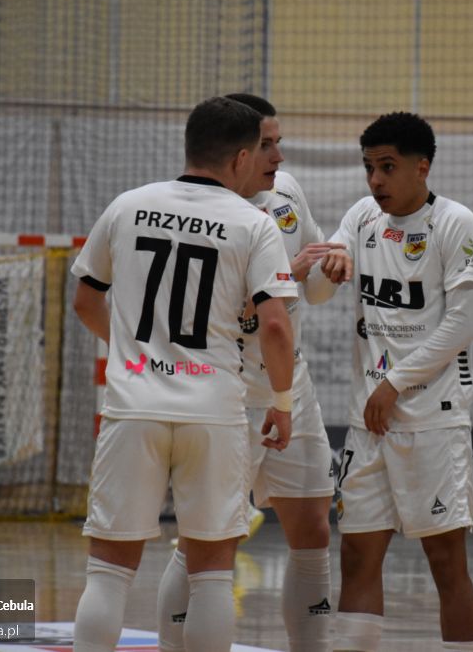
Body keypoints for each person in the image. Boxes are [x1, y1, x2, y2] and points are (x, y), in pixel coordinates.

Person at [69, 96, 298, 652]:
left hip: (133, 408)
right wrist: (284, 403)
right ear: (242, 158)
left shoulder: (128, 205)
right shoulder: (253, 223)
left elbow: (84, 300)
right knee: (212, 573)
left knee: (108, 573)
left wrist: (135, 349)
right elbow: (275, 327)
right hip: (212, 414)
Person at [157, 92, 340, 652]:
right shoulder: (197, 210)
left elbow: (309, 289)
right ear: (236, 153)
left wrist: (330, 269)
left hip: (290, 383)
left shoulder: (285, 193)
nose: (279, 156)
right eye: (267, 145)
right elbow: (230, 307)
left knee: (312, 527)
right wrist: (289, 271)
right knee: (205, 544)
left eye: (280, 142)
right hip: (227, 393)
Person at [319, 112, 473, 651]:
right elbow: (333, 255)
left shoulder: (456, 223)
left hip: (431, 420)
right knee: (356, 555)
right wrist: (335, 257)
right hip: (367, 423)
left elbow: (463, 324)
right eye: (369, 167)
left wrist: (395, 384)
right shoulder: (363, 216)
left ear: (422, 167)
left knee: (445, 562)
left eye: (387, 167)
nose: (375, 180)